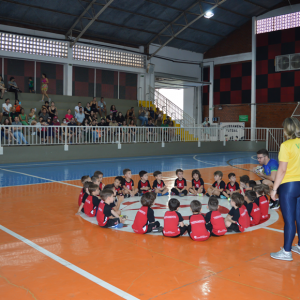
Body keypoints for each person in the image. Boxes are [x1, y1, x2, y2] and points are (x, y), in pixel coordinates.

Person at [270, 117, 300, 261]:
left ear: (286, 130)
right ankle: (299, 246)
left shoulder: (286, 145)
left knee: (289, 220)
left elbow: (282, 170)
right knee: (299, 217)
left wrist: (274, 189)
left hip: (289, 185)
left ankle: (286, 251)